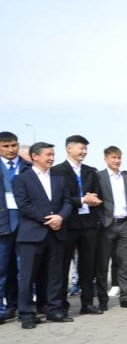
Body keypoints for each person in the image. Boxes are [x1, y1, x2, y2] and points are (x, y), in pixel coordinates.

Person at [12, 142, 73, 327]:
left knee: (55, 275)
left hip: (56, 234)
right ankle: (27, 314)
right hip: (32, 234)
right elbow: (24, 205)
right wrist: (48, 219)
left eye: (53, 154)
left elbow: (68, 201)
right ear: (35, 156)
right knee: (28, 276)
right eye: (48, 154)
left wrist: (61, 217)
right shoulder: (21, 179)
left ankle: (53, 310)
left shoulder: (59, 178)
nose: (51, 158)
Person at [51, 135, 105, 315]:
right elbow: (59, 198)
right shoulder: (57, 171)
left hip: (89, 224)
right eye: (81, 148)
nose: (84, 152)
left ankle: (87, 303)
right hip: (68, 224)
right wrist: (82, 199)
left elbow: (98, 194)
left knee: (88, 266)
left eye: (86, 149)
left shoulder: (91, 171)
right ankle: (61, 305)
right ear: (69, 148)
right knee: (63, 265)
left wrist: (95, 200)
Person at [95, 146, 127, 310]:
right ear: (106, 158)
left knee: (124, 263)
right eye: (113, 157)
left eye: (119, 157)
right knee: (103, 264)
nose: (117, 161)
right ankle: (102, 300)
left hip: (125, 224)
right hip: (107, 226)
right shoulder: (99, 176)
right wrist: (101, 221)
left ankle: (125, 297)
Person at [0, 131, 30, 323]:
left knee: (24, 269)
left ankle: (24, 308)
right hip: (3, 223)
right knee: (2, 270)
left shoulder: (27, 166)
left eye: (14, 145)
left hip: (25, 223)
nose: (11, 150)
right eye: (6, 146)